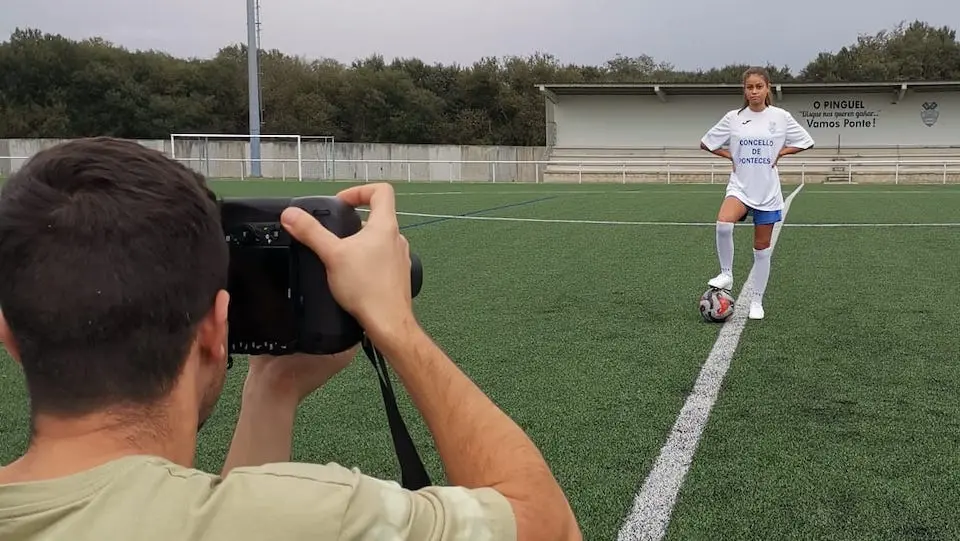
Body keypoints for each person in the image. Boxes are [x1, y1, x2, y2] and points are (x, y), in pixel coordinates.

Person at [0, 137, 581, 541]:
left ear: (10, 334)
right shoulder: (315, 518)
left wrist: (271, 392)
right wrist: (395, 327)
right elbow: (546, 526)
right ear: (214, 330)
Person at [699, 66, 815, 320]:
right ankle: (726, 273)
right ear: (744, 90)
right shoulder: (733, 118)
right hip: (740, 187)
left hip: (768, 192)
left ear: (767, 88)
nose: (754, 91)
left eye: (758, 86)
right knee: (723, 224)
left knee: (761, 250)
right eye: (749, 87)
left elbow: (806, 141)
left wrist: (783, 152)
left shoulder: (781, 117)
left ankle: (756, 301)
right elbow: (706, 143)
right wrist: (728, 154)